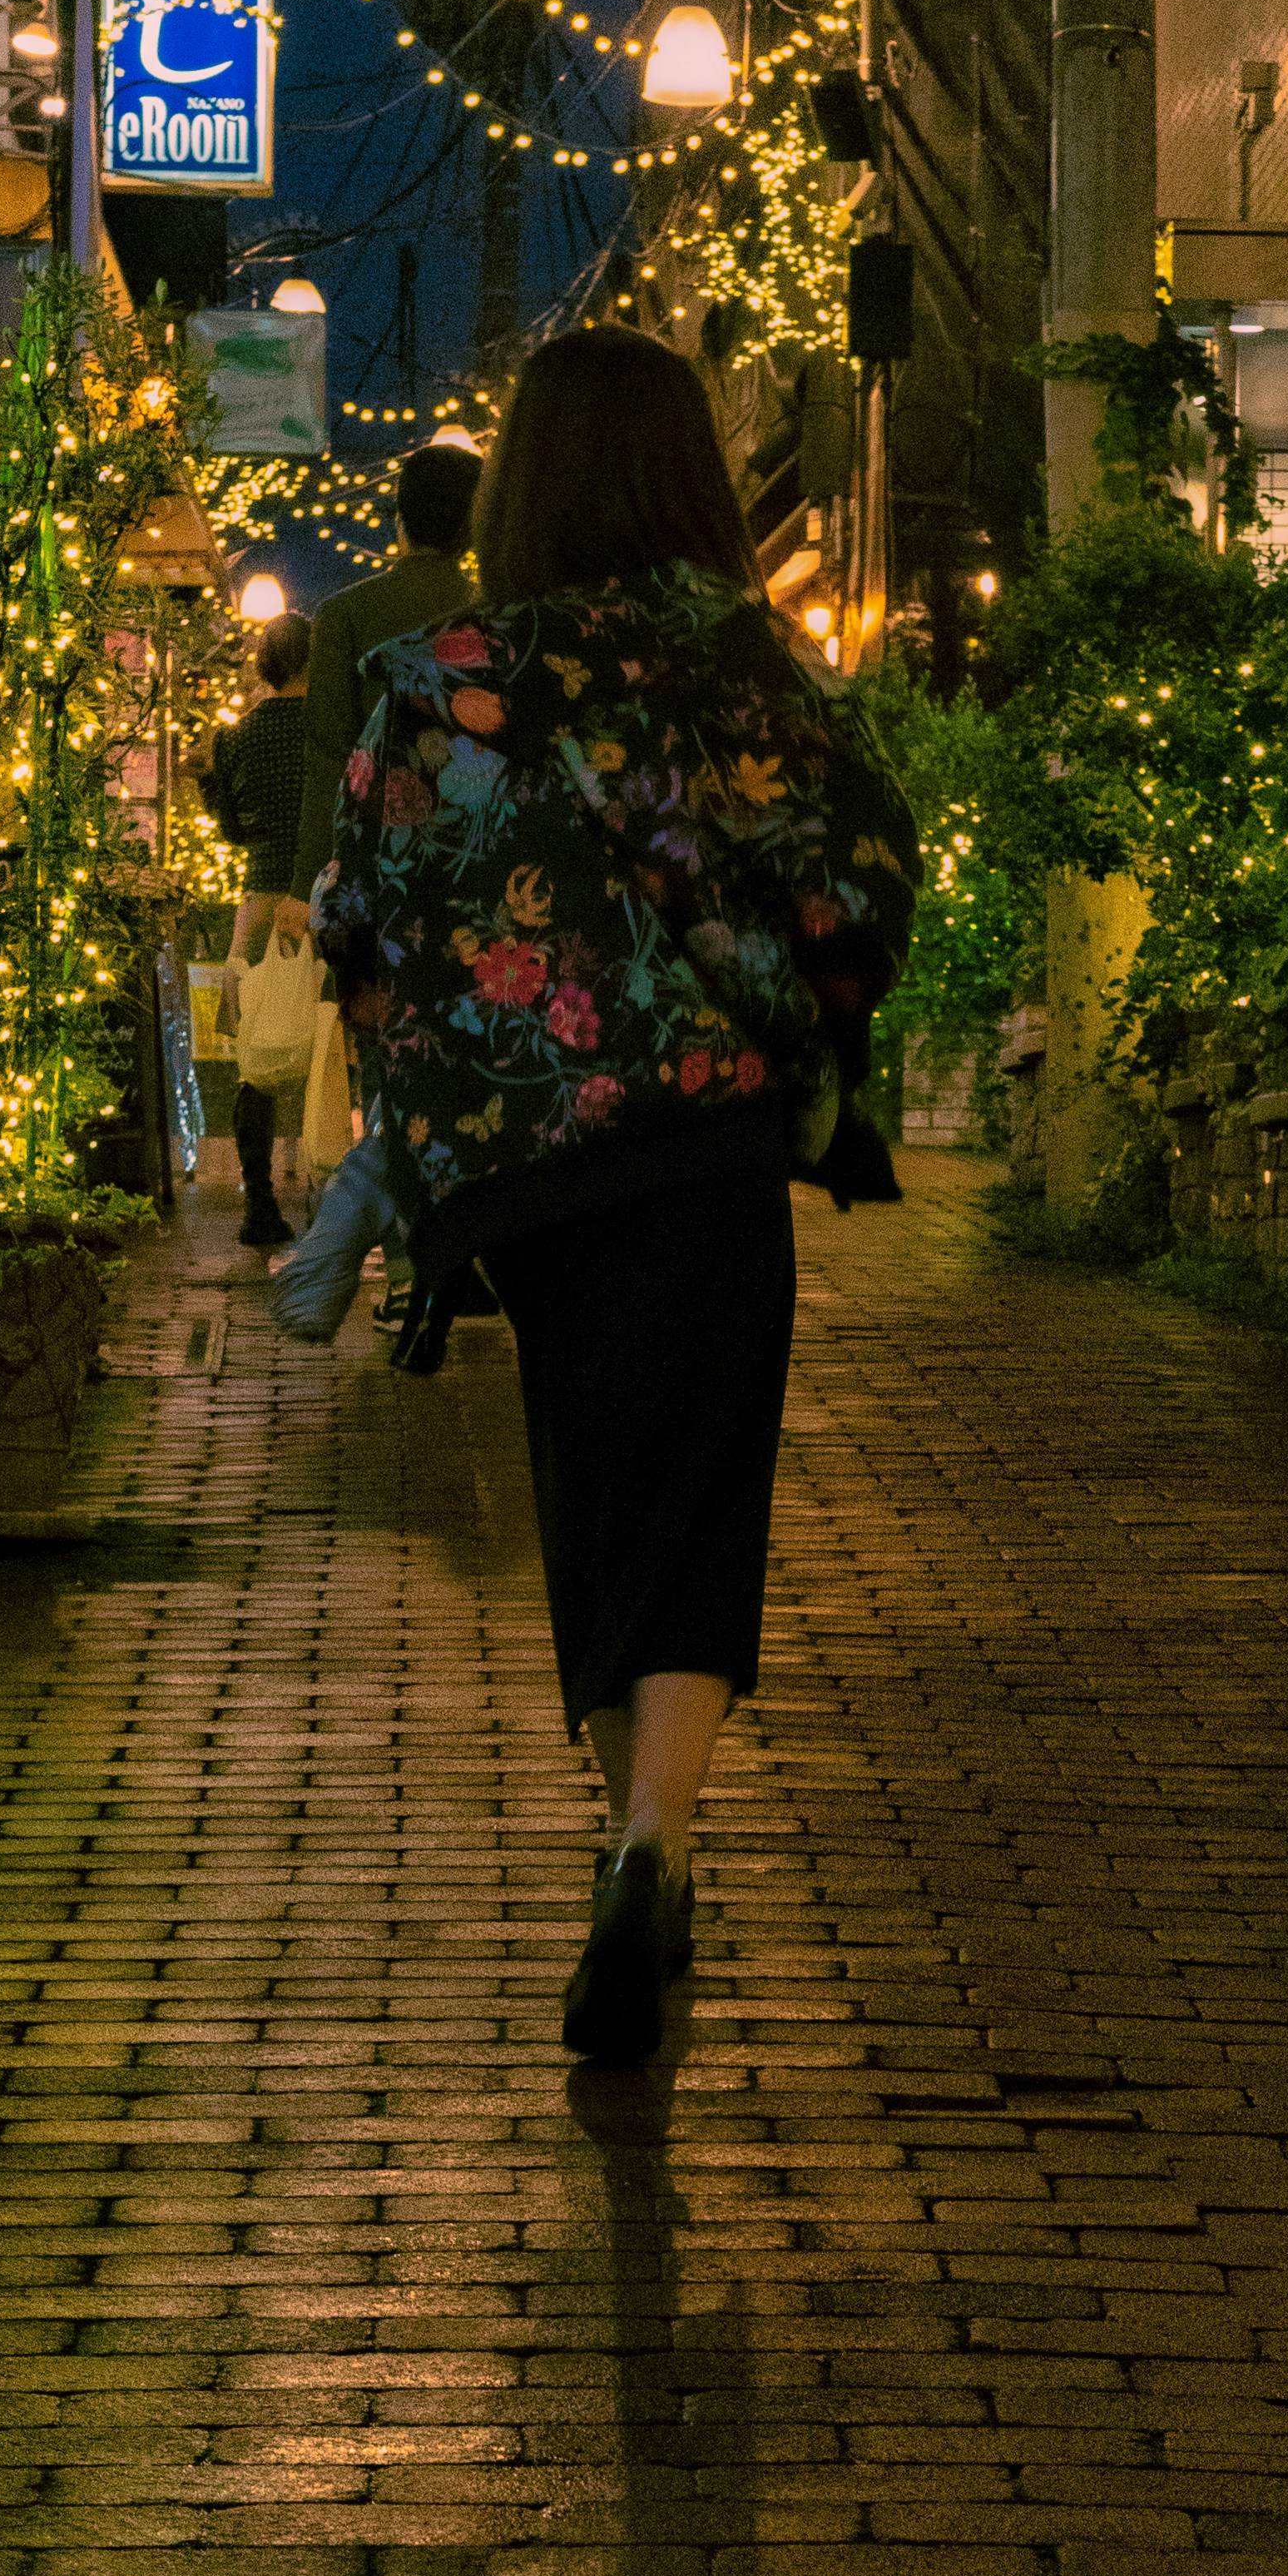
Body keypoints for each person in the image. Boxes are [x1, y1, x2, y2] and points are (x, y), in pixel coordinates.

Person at [311, 325, 914, 2066]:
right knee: (700, 1495)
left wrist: (431, 1115)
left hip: (528, 1175)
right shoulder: (747, 663)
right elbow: (864, 865)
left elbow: (363, 910)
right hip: (706, 1145)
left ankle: (624, 1840)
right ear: (685, 474)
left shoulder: (436, 679)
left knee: (589, 1494)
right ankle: (657, 1839)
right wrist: (806, 1011)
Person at [277, 442, 483, 928]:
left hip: (372, 863)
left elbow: (328, 756)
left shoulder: (344, 615)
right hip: (472, 857)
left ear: (400, 522)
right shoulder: (492, 614)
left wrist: (305, 885)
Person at [204, 606, 314, 1250]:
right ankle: (339, 1200)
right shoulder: (334, 729)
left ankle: (261, 1204)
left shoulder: (237, 736)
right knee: (336, 1046)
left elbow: (233, 831)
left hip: (261, 901)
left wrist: (209, 786)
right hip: (326, 896)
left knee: (256, 1060)